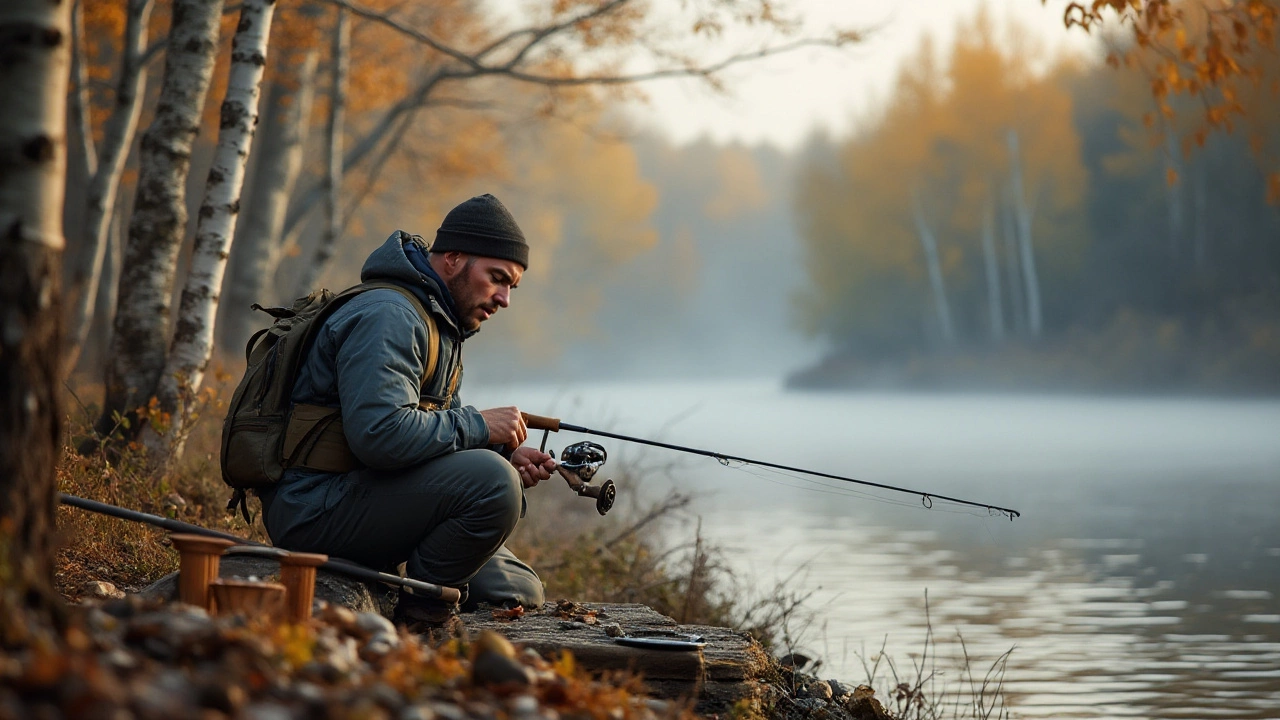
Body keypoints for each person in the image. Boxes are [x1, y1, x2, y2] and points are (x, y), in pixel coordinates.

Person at [258, 194, 557, 628]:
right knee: (493, 485)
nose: (505, 298)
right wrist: (481, 429)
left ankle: (418, 583)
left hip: (368, 491)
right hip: (317, 507)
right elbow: (381, 436)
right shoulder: (390, 315)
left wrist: (504, 454)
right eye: (497, 278)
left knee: (515, 589)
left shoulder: (439, 321)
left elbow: (433, 430)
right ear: (453, 260)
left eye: (511, 286)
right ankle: (423, 620)